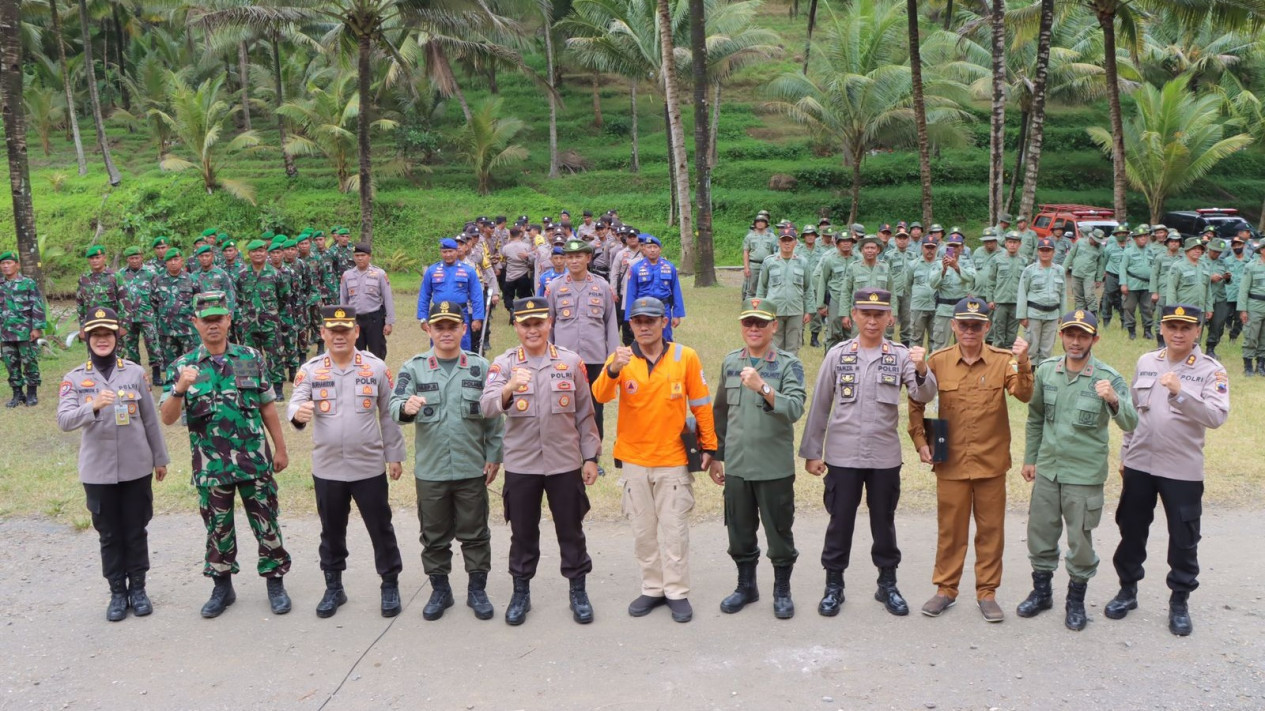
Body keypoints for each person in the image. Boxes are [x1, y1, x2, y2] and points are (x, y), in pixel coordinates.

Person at [799, 288, 937, 618]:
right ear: (854, 316)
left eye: (879, 315)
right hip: (843, 456)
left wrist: (922, 368)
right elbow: (820, 405)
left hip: (883, 457)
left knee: (884, 523)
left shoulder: (902, 355)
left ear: (890, 318)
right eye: (866, 314)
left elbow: (925, 393)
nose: (873, 321)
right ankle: (834, 586)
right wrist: (812, 451)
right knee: (839, 522)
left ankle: (887, 584)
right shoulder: (838, 354)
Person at [159, 291, 294, 618]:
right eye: (206, 320)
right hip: (210, 466)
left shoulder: (248, 358)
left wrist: (281, 447)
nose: (213, 325)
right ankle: (222, 585)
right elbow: (167, 416)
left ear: (229, 319)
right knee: (217, 527)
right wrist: (179, 388)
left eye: (218, 319)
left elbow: (266, 405)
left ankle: (275, 581)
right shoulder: (183, 366)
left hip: (254, 461)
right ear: (195, 323)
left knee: (266, 523)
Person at [1103, 304, 1228, 637]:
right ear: (1162, 327)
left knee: (1184, 539)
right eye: (1172, 326)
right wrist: (1125, 454)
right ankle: (1127, 590)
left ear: (1197, 331)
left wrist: (1180, 392)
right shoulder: (1147, 362)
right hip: (1140, 463)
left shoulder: (1210, 370)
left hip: (1181, 469)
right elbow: (1132, 413)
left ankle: (1179, 601)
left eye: (1186, 327)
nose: (1178, 333)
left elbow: (1216, 417)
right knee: (1131, 529)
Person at [908, 298, 1033, 622]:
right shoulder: (938, 361)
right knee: (951, 530)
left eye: (976, 325)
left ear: (987, 328)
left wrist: (1023, 362)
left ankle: (987, 592)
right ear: (953, 326)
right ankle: (945, 589)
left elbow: (1023, 394)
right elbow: (917, 398)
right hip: (950, 462)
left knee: (991, 530)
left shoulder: (1002, 361)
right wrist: (921, 440)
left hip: (990, 461)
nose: (969, 331)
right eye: (963, 324)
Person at [593, 296, 716, 624]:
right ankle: (652, 587)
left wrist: (710, 447)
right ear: (630, 325)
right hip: (634, 459)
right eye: (638, 321)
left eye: (651, 320)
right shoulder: (620, 358)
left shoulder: (684, 356)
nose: (644, 326)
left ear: (665, 321)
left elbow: (702, 404)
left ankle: (676, 591)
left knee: (674, 530)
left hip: (672, 459)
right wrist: (613, 368)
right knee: (643, 530)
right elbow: (600, 395)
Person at [480, 297, 601, 626]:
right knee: (522, 533)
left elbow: (585, 414)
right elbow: (487, 406)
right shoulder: (504, 364)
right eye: (525, 324)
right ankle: (521, 592)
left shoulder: (570, 362)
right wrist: (509, 388)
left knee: (571, 530)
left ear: (549, 323)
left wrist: (590, 457)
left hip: (564, 463)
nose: (532, 329)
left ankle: (578, 590)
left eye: (538, 323)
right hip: (522, 465)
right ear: (516, 327)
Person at [1015, 309, 1137, 631]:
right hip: (1048, 470)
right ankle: (1042, 594)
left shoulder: (1107, 377)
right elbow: (1036, 418)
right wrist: (1030, 458)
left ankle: (1076, 601)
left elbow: (1131, 422)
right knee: (1039, 533)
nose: (1075, 341)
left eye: (1083, 335)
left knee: (1079, 542)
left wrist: (1112, 399)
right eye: (1070, 334)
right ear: (1061, 335)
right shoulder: (1046, 372)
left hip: (1083, 474)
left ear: (1094, 339)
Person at [288, 305, 406, 619]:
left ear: (356, 332)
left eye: (345, 331)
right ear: (324, 334)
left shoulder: (375, 367)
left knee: (381, 527)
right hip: (327, 468)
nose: (339, 337)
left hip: (368, 466)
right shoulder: (311, 370)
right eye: (333, 331)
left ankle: (389, 583)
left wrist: (394, 456)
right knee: (331, 530)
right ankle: (334, 587)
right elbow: (297, 401)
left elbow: (389, 415)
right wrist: (297, 415)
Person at [56, 307, 169, 621]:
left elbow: (149, 421)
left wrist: (160, 458)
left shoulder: (133, 372)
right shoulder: (75, 378)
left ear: (117, 337)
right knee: (109, 534)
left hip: (136, 466)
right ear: (87, 339)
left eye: (107, 334)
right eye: (96, 335)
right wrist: (91, 406)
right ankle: (118, 593)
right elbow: (64, 420)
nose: (102, 340)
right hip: (98, 472)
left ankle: (139, 589)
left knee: (136, 530)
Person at [392, 302, 503, 621]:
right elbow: (394, 405)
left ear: (463, 329)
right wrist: (407, 407)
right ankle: (440, 590)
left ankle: (477, 590)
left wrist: (495, 454)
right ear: (428, 330)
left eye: (452, 326)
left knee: (476, 532)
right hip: (432, 471)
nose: (445, 332)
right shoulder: (413, 368)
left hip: (472, 467)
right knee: (434, 534)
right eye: (439, 327)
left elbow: (493, 416)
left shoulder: (481, 368)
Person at [709, 298, 806, 619]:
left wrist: (763, 387)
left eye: (761, 323)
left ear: (774, 326)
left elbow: (793, 408)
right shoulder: (731, 362)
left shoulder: (788, 364)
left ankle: (782, 590)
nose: (754, 328)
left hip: (773, 466)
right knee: (738, 531)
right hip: (737, 465)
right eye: (748, 322)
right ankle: (746, 586)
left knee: (779, 533)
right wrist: (717, 456)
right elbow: (720, 412)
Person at [545, 238, 620, 444]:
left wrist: (613, 359)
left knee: (595, 406)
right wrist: (547, 355)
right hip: (563, 358)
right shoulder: (554, 287)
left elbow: (610, 323)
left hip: (595, 358)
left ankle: (593, 452)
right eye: (569, 257)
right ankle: (568, 449)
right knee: (564, 403)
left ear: (588, 258)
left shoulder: (602, 286)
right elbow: (548, 324)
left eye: (578, 256)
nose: (574, 261)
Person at [236, 240, 291, 395]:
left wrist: (271, 312)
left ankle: (278, 388)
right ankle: (249, 388)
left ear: (266, 253)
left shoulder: (275, 274)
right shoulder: (242, 276)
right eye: (254, 251)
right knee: (247, 356)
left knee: (275, 355)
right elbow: (239, 298)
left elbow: (284, 297)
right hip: (249, 324)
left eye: (261, 250)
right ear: (249, 254)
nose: (258, 254)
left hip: (270, 324)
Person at [418, 238, 485, 352]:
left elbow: (477, 296)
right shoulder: (432, 270)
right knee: (437, 345)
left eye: (451, 251)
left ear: (456, 251)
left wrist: (477, 318)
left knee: (462, 345)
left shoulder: (468, 271)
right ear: (441, 252)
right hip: (437, 314)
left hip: (460, 313)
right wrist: (423, 319)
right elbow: (424, 296)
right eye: (445, 252)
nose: (448, 255)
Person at [0, 250, 47, 407]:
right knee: (10, 364)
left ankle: (32, 393)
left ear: (17, 265)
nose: (5, 266)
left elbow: (37, 306)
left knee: (29, 361)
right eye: (3, 264)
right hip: (5, 333)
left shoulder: (28, 283)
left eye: (8, 263)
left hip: (25, 332)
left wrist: (37, 328)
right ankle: (17, 394)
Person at [150, 249, 201, 386]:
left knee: (191, 362)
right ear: (165, 263)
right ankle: (172, 391)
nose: (173, 263)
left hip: (188, 330)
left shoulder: (192, 279)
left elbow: (199, 302)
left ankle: (194, 391)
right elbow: (154, 302)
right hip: (166, 331)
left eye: (176, 260)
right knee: (171, 364)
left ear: (181, 261)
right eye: (170, 260)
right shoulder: (158, 280)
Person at [756, 231, 813, 353]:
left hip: (796, 310)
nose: (787, 243)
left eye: (790, 240)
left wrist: (809, 310)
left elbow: (808, 288)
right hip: (775, 310)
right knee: (775, 345)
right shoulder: (769, 262)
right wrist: (759, 309)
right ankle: (775, 371)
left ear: (796, 243)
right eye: (784, 240)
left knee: (793, 346)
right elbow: (762, 287)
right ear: (778, 242)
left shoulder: (802, 262)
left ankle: (791, 371)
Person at [624, 235, 685, 342]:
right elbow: (631, 294)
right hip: (643, 308)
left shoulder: (669, 267)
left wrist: (677, 314)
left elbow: (676, 291)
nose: (652, 250)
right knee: (644, 337)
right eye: (649, 247)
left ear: (660, 249)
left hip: (664, 308)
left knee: (665, 338)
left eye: (655, 247)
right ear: (644, 249)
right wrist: (630, 316)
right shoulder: (636, 268)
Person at [340, 242, 395, 360]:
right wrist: (344, 322)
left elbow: (387, 298)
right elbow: (343, 301)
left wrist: (389, 322)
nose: (360, 258)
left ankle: (378, 377)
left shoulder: (379, 274)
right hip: (355, 320)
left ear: (369, 256)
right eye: (357, 255)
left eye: (363, 255)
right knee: (356, 354)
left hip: (374, 319)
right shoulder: (347, 275)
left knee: (377, 353)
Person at [115, 247, 161, 384]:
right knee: (131, 347)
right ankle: (136, 375)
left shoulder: (151, 273)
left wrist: (154, 311)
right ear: (127, 259)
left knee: (152, 344)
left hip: (147, 315)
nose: (134, 261)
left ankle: (157, 374)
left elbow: (157, 293)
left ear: (142, 257)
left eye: (137, 257)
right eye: (131, 258)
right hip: (128, 318)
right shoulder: (120, 274)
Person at [1016, 238, 1065, 362]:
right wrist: (1022, 315)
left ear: (1053, 252)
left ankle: (1042, 377)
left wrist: (1062, 315)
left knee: (1047, 349)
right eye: (1042, 250)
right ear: (1038, 252)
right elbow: (1022, 292)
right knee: (1031, 347)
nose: (1045, 253)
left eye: (1048, 250)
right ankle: (1029, 376)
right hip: (1034, 314)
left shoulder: (1060, 270)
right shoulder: (1029, 270)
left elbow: (1063, 294)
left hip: (1052, 315)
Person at [840, 236, 894, 340]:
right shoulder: (853, 268)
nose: (870, 250)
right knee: (857, 341)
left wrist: (893, 313)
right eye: (867, 248)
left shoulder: (885, 267)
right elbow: (845, 292)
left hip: (880, 313)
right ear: (861, 250)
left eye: (873, 248)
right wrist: (844, 315)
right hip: (860, 313)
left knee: (882, 342)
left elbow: (892, 292)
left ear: (878, 250)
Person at [928, 233, 976, 350]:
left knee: (963, 346)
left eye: (956, 246)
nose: (953, 249)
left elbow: (971, 278)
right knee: (940, 345)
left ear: (962, 247)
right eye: (951, 246)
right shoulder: (939, 264)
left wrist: (956, 267)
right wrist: (943, 270)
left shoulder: (967, 263)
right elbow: (933, 284)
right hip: (944, 310)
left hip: (962, 310)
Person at [982, 231, 1027, 349]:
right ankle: (997, 359)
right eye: (1010, 242)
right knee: (998, 332)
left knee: (1012, 334)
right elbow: (991, 281)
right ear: (1006, 243)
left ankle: (1008, 359)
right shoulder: (997, 260)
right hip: (1000, 302)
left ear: (1020, 244)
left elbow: (1026, 284)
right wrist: (990, 299)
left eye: (1015, 242)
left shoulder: (1024, 261)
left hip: (1016, 303)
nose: (1012, 245)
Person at [813, 232, 858, 348]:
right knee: (834, 332)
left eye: (849, 241)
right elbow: (822, 281)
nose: (846, 244)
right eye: (843, 241)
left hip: (854, 300)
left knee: (853, 332)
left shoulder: (859, 259)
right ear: (837, 244)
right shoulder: (830, 260)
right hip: (835, 298)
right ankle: (830, 359)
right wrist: (821, 305)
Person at [1165, 238, 1213, 327]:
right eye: (1194, 248)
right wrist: (1171, 309)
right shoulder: (1178, 266)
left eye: (1200, 249)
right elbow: (1171, 289)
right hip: (1183, 309)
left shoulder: (1204, 266)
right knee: (1184, 336)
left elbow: (1208, 289)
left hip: (1200, 309)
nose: (1197, 251)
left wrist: (1209, 308)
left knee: (1197, 336)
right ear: (1187, 250)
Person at [76, 245, 121, 339]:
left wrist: (124, 326)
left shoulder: (115, 277)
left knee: (115, 353)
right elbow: (80, 305)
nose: (94, 260)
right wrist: (81, 327)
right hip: (92, 325)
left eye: (97, 257)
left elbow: (125, 303)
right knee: (93, 352)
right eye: (91, 258)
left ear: (104, 258)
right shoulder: (84, 279)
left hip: (111, 324)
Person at [1120, 228, 1156, 341]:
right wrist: (1123, 283)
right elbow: (1122, 268)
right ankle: (1131, 331)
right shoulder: (1128, 251)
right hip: (1132, 284)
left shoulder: (1151, 251)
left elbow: (1155, 269)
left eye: (1145, 236)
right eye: (1140, 236)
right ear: (1135, 238)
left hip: (1147, 285)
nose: (1143, 238)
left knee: (1148, 308)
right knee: (1129, 307)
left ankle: (1148, 331)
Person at [1150, 232, 1184, 347]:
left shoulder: (1183, 258)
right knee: (1161, 317)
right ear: (1167, 243)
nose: (1174, 244)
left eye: (1176, 241)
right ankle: (1160, 342)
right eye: (1172, 241)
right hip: (1163, 292)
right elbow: (1154, 275)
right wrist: (1154, 292)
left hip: (1179, 293)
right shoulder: (1160, 257)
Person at [907, 238, 940, 351]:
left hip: (936, 307)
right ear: (922, 248)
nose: (929, 250)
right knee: (916, 338)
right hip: (918, 307)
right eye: (927, 247)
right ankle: (914, 367)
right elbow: (907, 285)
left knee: (935, 339)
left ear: (937, 248)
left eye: (932, 247)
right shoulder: (913, 264)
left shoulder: (941, 265)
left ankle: (933, 366)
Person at [1237, 244, 1265, 376]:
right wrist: (1243, 309)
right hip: (1254, 305)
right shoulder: (1251, 266)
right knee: (1251, 336)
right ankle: (1248, 365)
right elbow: (1243, 289)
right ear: (1262, 250)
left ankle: (1261, 365)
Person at [1202, 239, 1232, 358]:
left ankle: (1210, 348)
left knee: (1217, 324)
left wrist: (1227, 278)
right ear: (1209, 249)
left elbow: (1229, 282)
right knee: (1197, 324)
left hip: (1219, 297)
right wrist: (1210, 278)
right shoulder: (1200, 261)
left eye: (1219, 252)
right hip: (1204, 297)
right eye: (1215, 251)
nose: (1217, 254)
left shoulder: (1223, 263)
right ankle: (1194, 348)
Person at [1065, 229, 1106, 313]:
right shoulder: (1079, 242)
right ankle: (1079, 315)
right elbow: (1071, 255)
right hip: (1076, 273)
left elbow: (1101, 265)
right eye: (1094, 240)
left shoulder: (1101, 248)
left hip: (1089, 275)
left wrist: (1099, 279)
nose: (1095, 243)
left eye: (1097, 241)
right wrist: (1064, 269)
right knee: (1078, 297)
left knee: (1089, 296)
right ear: (1091, 236)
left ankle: (1093, 315)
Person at [1101, 226, 1130, 328]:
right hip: (1112, 276)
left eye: (1123, 233)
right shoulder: (1109, 248)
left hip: (1127, 278)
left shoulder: (1131, 248)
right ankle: (1106, 321)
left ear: (1127, 235)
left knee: (1125, 300)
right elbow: (1104, 262)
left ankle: (1124, 322)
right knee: (1108, 299)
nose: (1121, 235)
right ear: (1115, 235)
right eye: (1119, 233)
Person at [742, 215, 776, 300]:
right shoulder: (749, 237)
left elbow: (775, 252)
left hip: (767, 265)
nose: (760, 223)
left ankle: (765, 308)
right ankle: (749, 309)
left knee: (767, 288)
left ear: (766, 224)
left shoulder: (772, 237)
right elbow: (746, 252)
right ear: (755, 224)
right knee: (751, 289)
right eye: (758, 221)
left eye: (762, 221)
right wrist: (746, 267)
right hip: (754, 265)